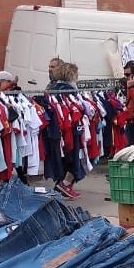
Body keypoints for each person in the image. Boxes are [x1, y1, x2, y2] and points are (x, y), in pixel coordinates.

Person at [50, 61, 83, 198]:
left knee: (64, 158)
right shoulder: (69, 91)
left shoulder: (53, 88)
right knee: (74, 158)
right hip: (69, 129)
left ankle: (64, 185)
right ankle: (63, 185)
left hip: (58, 130)